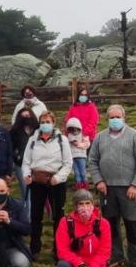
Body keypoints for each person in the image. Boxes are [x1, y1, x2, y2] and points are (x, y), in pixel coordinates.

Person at [86, 104, 136, 267]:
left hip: (129, 190)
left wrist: (135, 185)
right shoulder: (100, 138)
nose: (115, 120)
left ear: (124, 117)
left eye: (118, 117)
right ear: (107, 119)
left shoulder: (135, 136)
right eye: (111, 117)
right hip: (107, 190)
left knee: (132, 225)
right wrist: (98, 180)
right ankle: (116, 257)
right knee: (110, 225)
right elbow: (92, 161)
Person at [21, 111, 73, 258]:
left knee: (58, 217)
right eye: (43, 122)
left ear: (53, 123)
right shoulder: (32, 140)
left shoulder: (62, 140)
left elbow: (68, 163)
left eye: (48, 121)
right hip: (37, 182)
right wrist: (27, 175)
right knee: (36, 216)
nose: (45, 124)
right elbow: (26, 162)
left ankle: (59, 250)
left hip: (56, 182)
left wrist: (58, 177)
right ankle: (35, 248)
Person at [54, 190, 111, 267]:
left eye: (88, 203)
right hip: (75, 264)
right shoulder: (65, 222)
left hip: (95, 266)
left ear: (93, 204)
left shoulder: (103, 223)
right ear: (75, 206)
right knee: (62, 266)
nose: (85, 208)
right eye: (81, 204)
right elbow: (62, 250)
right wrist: (81, 265)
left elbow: (105, 252)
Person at [9, 108, 38, 203]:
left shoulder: (38, 130)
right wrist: (16, 156)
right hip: (20, 164)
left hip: (37, 164)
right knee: (26, 191)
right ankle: (27, 216)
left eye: (28, 116)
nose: (26, 118)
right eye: (23, 116)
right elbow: (10, 148)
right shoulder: (14, 131)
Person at [65, 118, 92, 190]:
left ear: (78, 127)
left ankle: (85, 185)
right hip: (73, 157)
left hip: (81, 156)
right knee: (76, 173)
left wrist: (78, 144)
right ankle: (79, 186)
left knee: (82, 171)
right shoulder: (69, 136)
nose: (73, 131)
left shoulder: (83, 135)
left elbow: (87, 145)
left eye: (74, 129)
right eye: (71, 129)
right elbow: (67, 146)